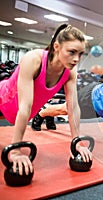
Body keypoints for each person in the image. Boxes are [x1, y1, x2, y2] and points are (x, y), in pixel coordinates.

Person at [0, 24, 92, 176]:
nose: (76, 59)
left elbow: (73, 107)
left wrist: (77, 143)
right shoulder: (33, 59)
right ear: (56, 47)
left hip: (16, 113)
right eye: (72, 52)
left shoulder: (70, 71)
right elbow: (25, 106)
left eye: (81, 54)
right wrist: (15, 150)